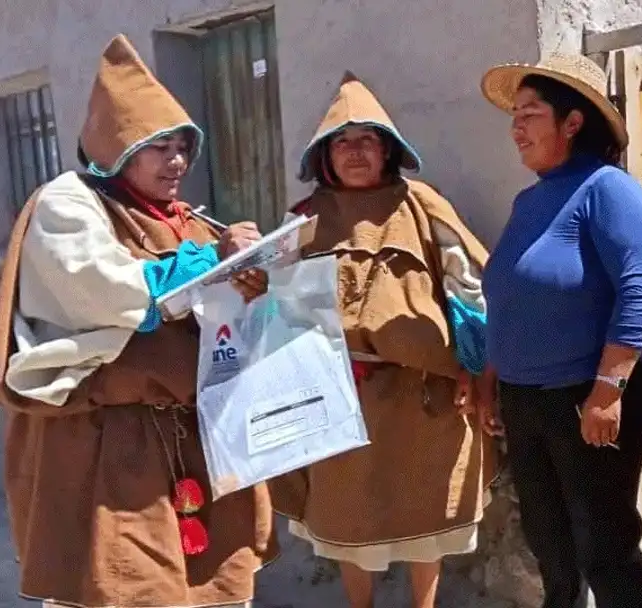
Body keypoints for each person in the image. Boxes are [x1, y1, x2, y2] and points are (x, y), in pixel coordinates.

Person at [0, 34, 278, 608]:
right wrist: (215, 261)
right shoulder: (68, 205)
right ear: (115, 145)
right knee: (122, 587)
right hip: (109, 448)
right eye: (159, 147)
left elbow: (227, 318)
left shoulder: (189, 222)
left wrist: (251, 274)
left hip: (199, 442)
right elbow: (112, 294)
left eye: (183, 146)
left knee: (216, 588)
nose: (178, 161)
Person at [266, 72, 496, 608]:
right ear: (325, 153)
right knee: (348, 515)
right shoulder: (303, 221)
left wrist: (472, 369)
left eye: (366, 140)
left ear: (387, 149)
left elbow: (469, 291)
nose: (354, 151)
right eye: (342, 141)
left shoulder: (421, 205)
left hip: (427, 393)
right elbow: (271, 302)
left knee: (427, 512)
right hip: (339, 397)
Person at [478, 53, 642, 608]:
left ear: (572, 122)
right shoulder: (529, 201)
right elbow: (509, 300)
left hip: (587, 396)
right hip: (525, 401)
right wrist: (491, 380)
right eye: (515, 114)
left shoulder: (607, 189)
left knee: (604, 548)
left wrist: (609, 391)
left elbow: (637, 290)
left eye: (530, 113)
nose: (516, 126)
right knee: (551, 550)